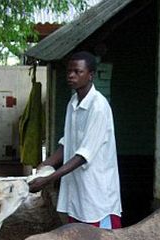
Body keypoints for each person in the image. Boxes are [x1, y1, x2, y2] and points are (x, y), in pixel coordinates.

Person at [29, 51, 122, 229]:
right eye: (69, 71)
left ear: (90, 75)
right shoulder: (73, 103)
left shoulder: (99, 107)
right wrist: (46, 164)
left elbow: (83, 155)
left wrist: (49, 179)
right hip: (79, 190)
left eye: (78, 72)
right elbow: (68, 143)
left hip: (97, 194)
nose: (71, 75)